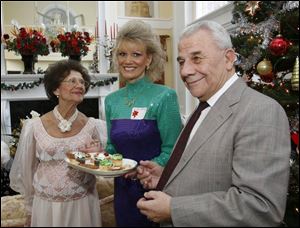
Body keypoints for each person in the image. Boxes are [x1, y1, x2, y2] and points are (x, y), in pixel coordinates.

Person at [136, 20, 291, 226]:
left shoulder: (261, 111)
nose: (185, 71)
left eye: (197, 58)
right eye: (182, 61)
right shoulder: (203, 107)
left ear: (228, 59)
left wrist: (174, 209)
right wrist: (166, 177)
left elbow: (260, 207)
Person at [9, 60, 106, 227]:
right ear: (56, 89)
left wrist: (97, 156)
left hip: (82, 204)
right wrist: (30, 209)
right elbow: (28, 169)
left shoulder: (94, 126)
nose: (80, 85)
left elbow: (105, 164)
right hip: (45, 206)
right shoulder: (34, 126)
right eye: (72, 81)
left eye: (82, 82)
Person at [104, 19, 182, 227]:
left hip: (154, 189)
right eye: (122, 54)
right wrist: (101, 155)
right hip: (122, 190)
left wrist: (141, 169)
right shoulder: (111, 100)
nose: (128, 60)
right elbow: (112, 148)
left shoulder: (165, 96)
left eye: (136, 54)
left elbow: (173, 151)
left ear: (149, 59)